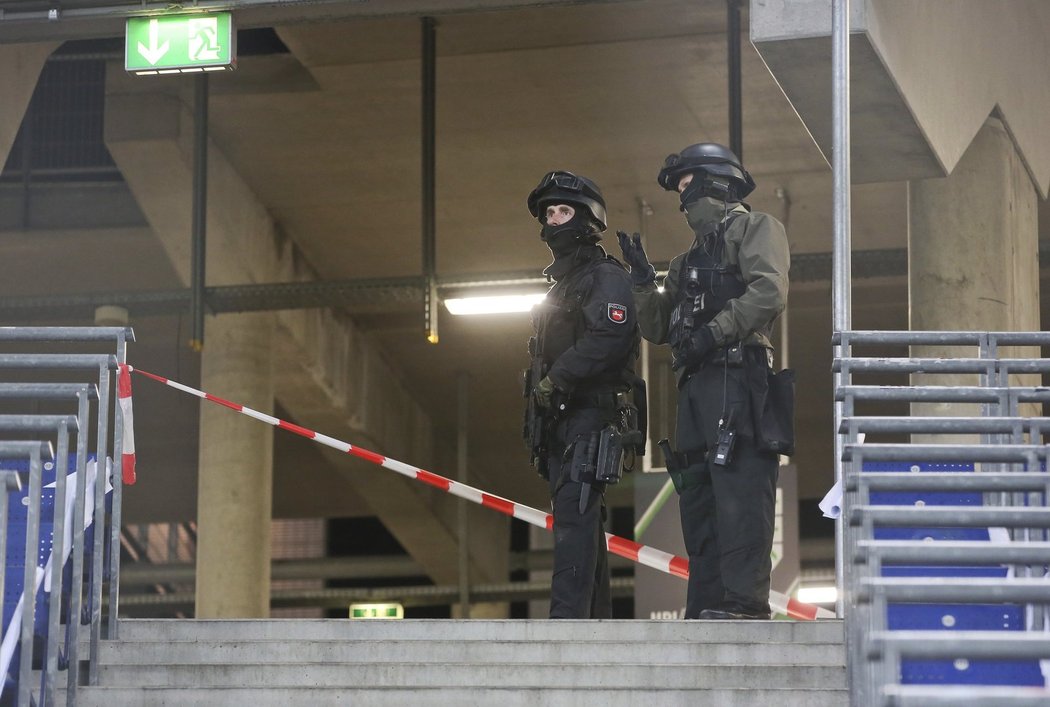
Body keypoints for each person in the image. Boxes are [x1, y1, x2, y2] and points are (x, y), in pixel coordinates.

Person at [617, 143, 789, 620]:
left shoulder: (757, 228)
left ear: (717, 181)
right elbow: (655, 327)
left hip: (740, 375)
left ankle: (745, 605)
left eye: (687, 185)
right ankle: (708, 605)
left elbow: (770, 290)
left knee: (740, 494)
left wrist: (714, 332)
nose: (682, 198)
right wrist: (640, 281)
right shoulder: (686, 260)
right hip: (695, 386)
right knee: (699, 499)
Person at [523, 170, 642, 619]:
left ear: (588, 218)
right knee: (579, 523)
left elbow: (610, 335)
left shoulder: (606, 276)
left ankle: (567, 622)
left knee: (575, 519)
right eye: (549, 212)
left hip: (590, 415)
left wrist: (558, 380)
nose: (555, 220)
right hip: (562, 419)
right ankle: (594, 621)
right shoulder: (561, 287)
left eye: (564, 211)